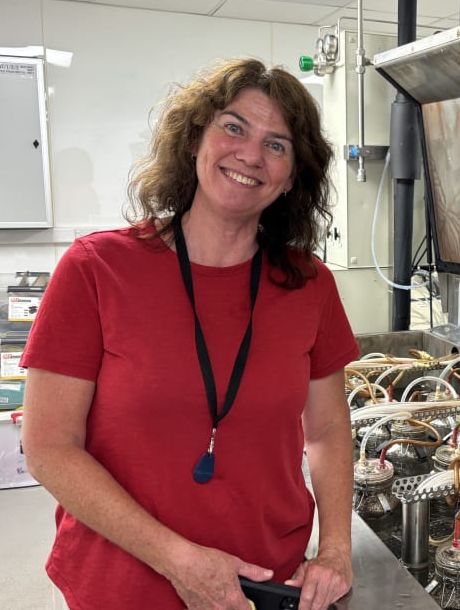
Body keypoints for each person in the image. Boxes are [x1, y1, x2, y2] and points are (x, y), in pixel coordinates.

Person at [20, 58, 359, 610]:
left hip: (268, 584)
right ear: (194, 138)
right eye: (233, 127)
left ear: (293, 176)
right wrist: (179, 561)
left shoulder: (309, 285)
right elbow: (49, 448)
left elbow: (325, 430)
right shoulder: (96, 269)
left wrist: (337, 549)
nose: (251, 154)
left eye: (278, 145)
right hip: (124, 582)